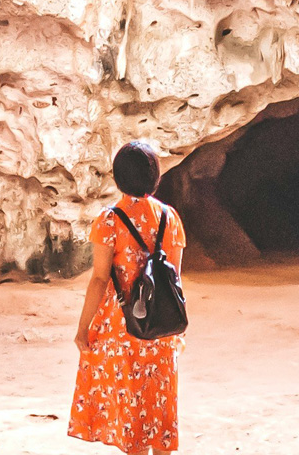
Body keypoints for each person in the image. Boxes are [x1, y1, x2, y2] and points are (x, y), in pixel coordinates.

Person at [69, 140, 186, 454]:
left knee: (131, 418)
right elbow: (173, 278)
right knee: (159, 414)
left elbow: (98, 279)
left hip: (124, 329)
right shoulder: (169, 218)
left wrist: (82, 329)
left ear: (117, 177)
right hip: (162, 328)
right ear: (155, 177)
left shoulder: (110, 221)